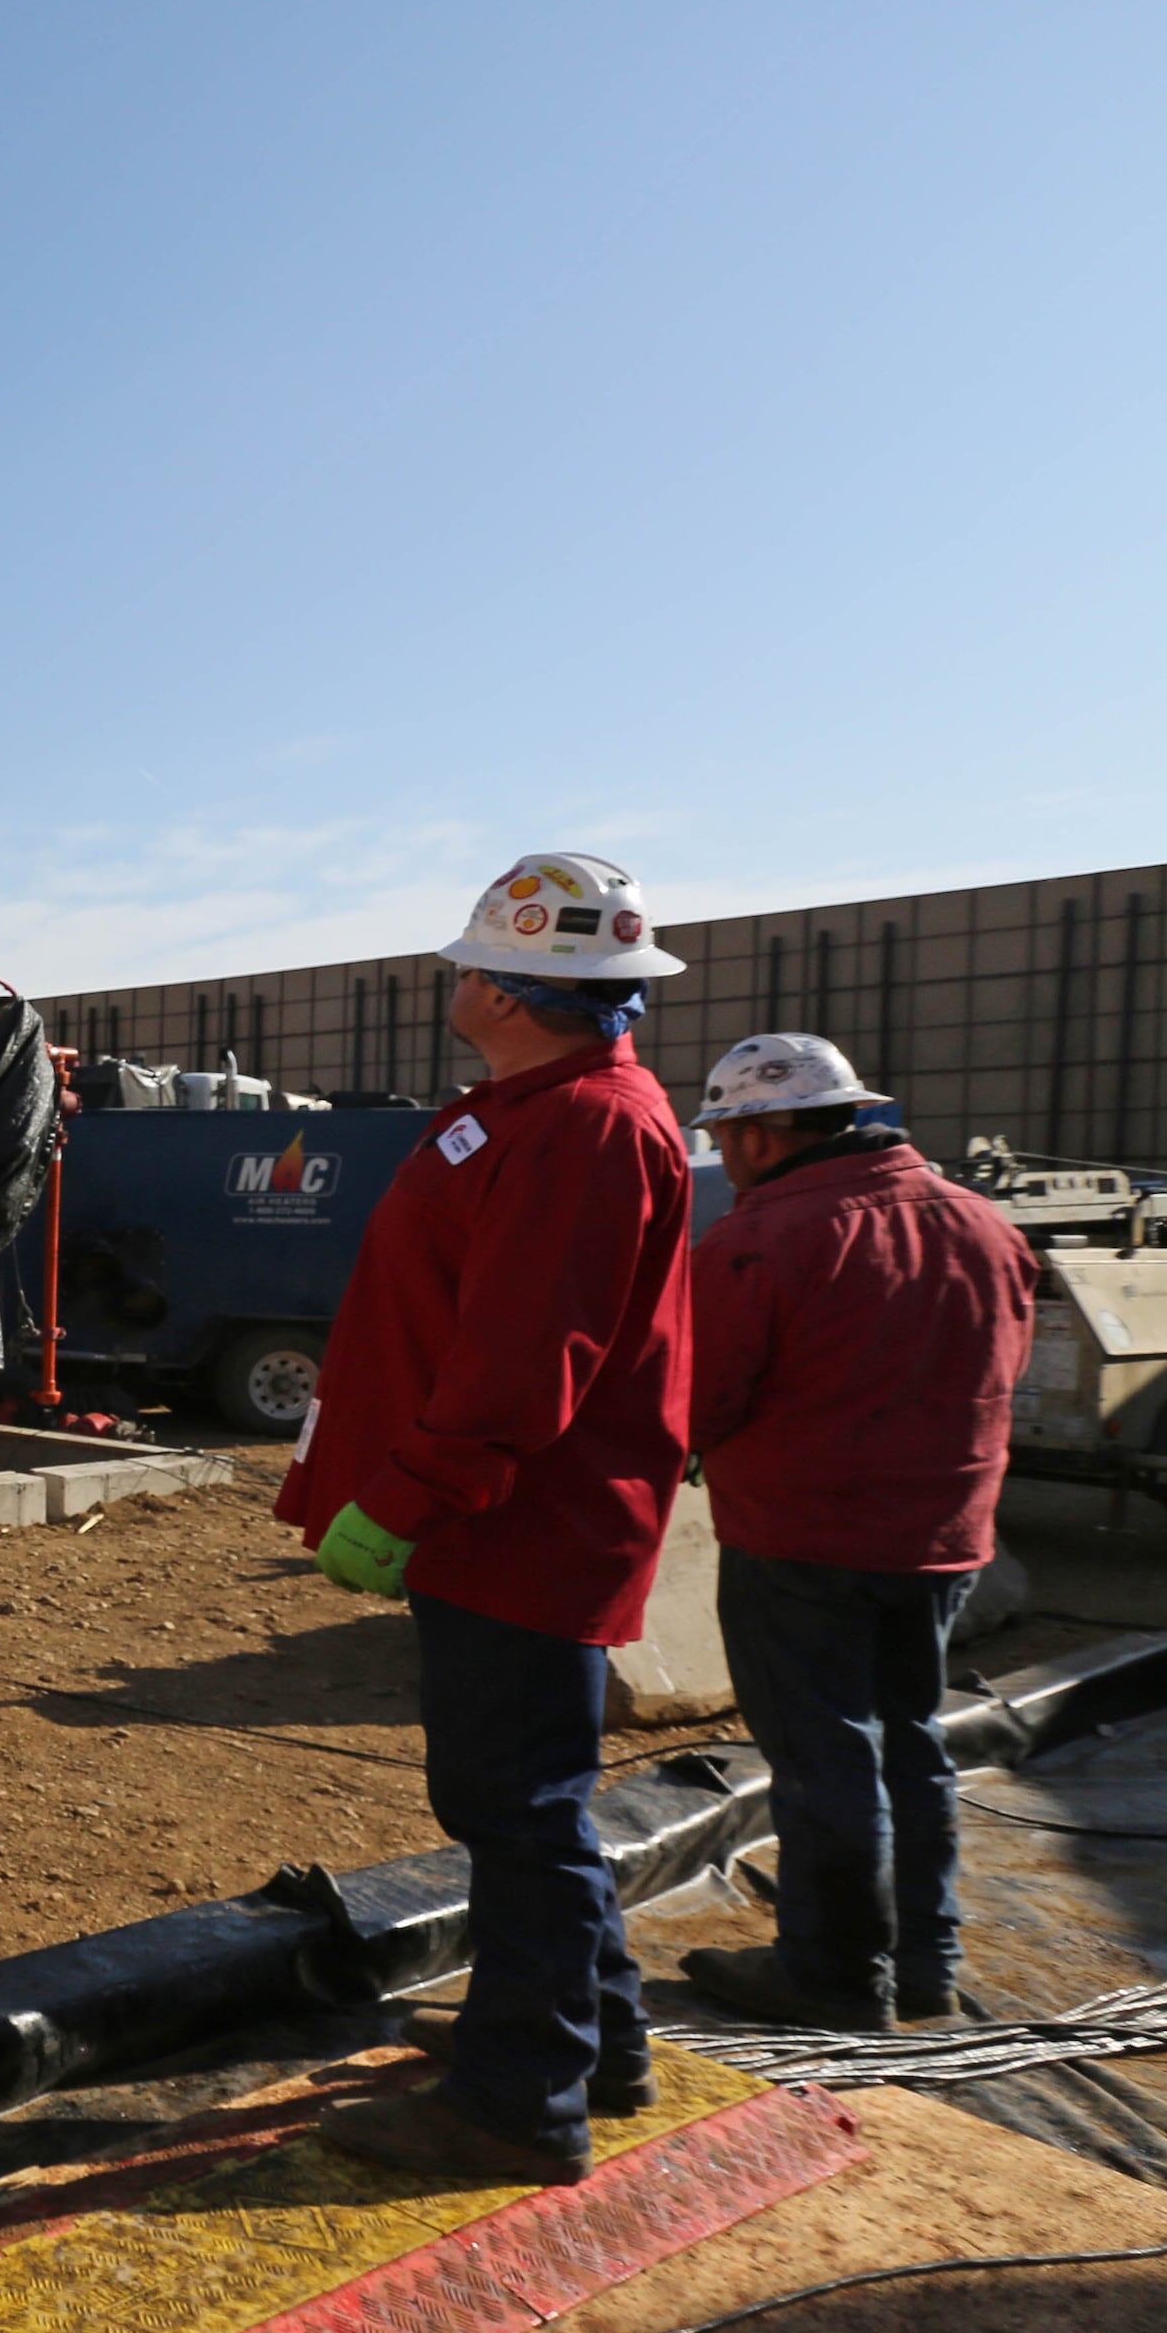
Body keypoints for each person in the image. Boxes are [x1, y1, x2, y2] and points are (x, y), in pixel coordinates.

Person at [281, 853, 694, 2186]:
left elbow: (522, 1366)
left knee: (518, 1810)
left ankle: (519, 2103)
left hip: (520, 1526)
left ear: (516, 992)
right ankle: (593, 2042)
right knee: (523, 1804)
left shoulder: (584, 1128)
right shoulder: (528, 1108)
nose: (456, 977)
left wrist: (406, 1501)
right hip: (496, 1522)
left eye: (473, 963)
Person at [670, 1035, 1039, 2029]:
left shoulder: (760, 1241)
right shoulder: (984, 1224)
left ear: (753, 1134)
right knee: (910, 1741)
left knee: (825, 1758)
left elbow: (697, 1404)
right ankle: (924, 1960)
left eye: (725, 1136)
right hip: (943, 1538)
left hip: (801, 1544)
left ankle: (833, 1976)